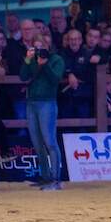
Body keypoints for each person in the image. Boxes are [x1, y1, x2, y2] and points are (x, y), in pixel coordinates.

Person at [20, 35, 65, 190]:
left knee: (50, 141)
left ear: (48, 45)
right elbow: (23, 76)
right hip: (32, 102)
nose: (39, 50)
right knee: (37, 143)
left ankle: (55, 178)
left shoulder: (56, 60)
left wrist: (44, 64)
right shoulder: (32, 59)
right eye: (36, 46)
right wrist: (27, 60)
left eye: (41, 46)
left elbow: (55, 79)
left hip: (47, 103)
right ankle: (45, 177)